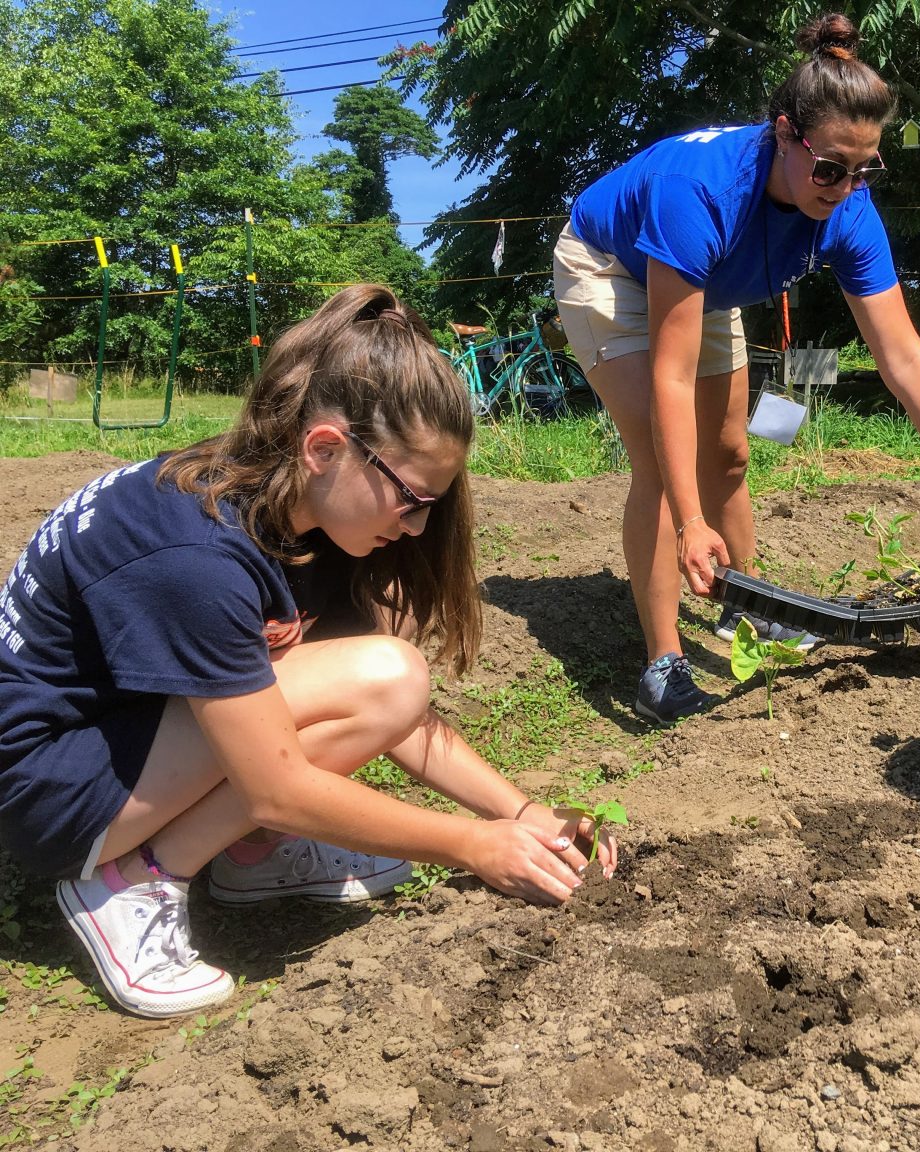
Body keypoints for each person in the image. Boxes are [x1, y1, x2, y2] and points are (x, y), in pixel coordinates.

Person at [0, 285, 617, 1019]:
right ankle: (132, 881)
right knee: (383, 673)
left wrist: (521, 813)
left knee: (386, 673)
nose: (419, 529)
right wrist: (475, 845)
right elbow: (278, 785)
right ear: (325, 448)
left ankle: (251, 857)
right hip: (47, 790)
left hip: (122, 737)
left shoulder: (294, 514)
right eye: (412, 500)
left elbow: (389, 709)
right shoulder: (195, 553)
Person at [554, 12, 920, 725]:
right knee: (656, 454)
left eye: (864, 170)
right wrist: (689, 522)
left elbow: (901, 355)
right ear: (782, 134)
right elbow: (670, 377)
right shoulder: (699, 192)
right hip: (614, 267)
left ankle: (750, 608)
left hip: (703, 280)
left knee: (731, 453)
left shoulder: (849, 210)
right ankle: (662, 660)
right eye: (830, 167)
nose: (843, 186)